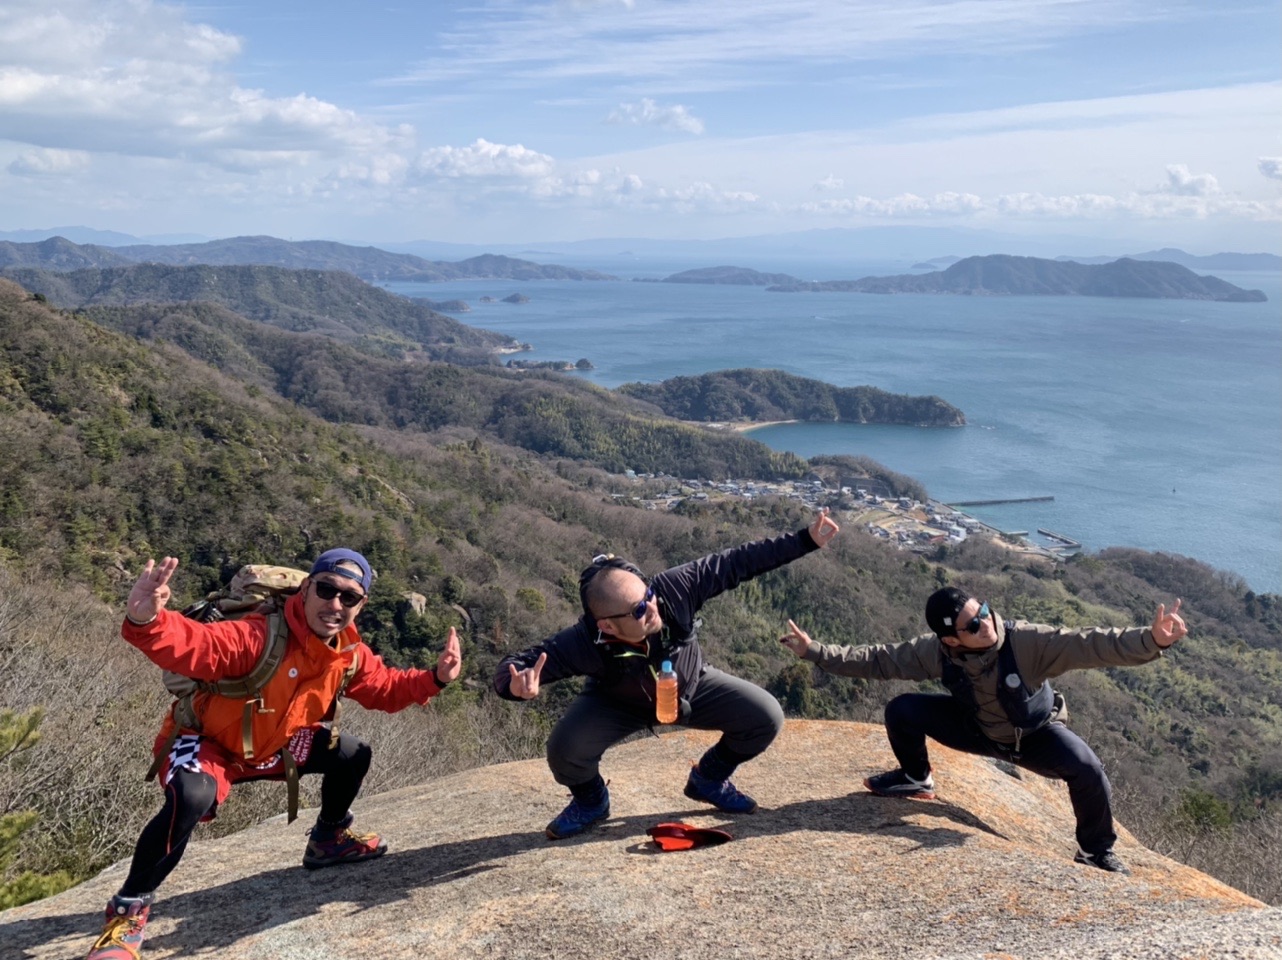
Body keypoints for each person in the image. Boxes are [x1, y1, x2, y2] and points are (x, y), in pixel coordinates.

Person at [87, 548, 462, 960]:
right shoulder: (259, 635)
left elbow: (386, 689)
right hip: (208, 742)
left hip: (274, 746)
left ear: (362, 605)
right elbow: (197, 644)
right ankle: (127, 912)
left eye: (349, 598)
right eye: (326, 589)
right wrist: (147, 620)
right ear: (306, 588)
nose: (335, 604)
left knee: (352, 753)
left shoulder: (347, 654)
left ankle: (328, 839)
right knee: (192, 796)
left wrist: (436, 679)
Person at [780, 586, 1187, 875]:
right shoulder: (935, 652)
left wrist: (1151, 640)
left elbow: (1092, 645)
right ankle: (915, 778)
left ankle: (1095, 851)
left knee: (1087, 768)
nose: (985, 624)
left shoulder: (1026, 643)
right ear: (950, 639)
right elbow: (879, 661)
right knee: (903, 709)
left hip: (1035, 736)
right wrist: (815, 652)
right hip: (975, 729)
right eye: (972, 625)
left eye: (983, 612)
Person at [494, 509, 840, 840]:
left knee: (765, 715)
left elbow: (738, 561)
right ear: (607, 624)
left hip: (692, 686)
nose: (652, 607)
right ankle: (591, 801)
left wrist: (805, 540)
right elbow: (511, 668)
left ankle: (708, 779)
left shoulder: (673, 590)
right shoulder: (584, 642)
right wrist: (515, 685)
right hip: (617, 703)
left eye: (647, 594)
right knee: (564, 750)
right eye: (639, 609)